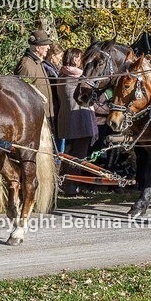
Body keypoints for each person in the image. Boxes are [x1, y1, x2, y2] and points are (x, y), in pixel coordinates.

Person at [56, 48, 98, 197]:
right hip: (79, 118)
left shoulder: (62, 74)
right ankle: (71, 186)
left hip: (66, 119)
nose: (82, 62)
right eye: (80, 58)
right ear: (74, 59)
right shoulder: (77, 76)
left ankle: (66, 184)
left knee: (69, 153)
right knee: (79, 154)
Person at [15, 27, 55, 130]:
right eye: (46, 45)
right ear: (37, 47)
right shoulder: (26, 65)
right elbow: (22, 97)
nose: (48, 48)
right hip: (35, 119)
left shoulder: (37, 63)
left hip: (44, 116)